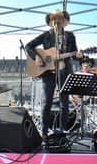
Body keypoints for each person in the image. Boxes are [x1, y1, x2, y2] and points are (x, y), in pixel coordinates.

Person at [25, 10, 82, 140]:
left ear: (64, 22)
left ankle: (64, 131)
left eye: (60, 19)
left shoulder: (70, 36)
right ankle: (44, 133)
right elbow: (28, 46)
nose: (57, 22)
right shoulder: (46, 35)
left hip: (64, 72)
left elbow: (74, 53)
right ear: (51, 23)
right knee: (46, 102)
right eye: (54, 20)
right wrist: (37, 58)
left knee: (64, 103)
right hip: (48, 73)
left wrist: (78, 55)